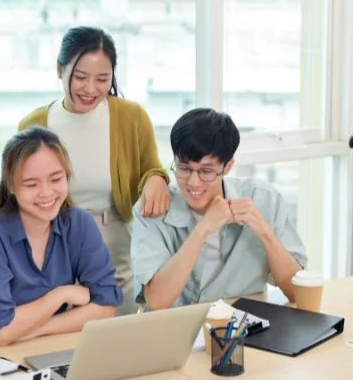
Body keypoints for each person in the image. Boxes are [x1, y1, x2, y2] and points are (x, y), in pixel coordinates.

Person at [18, 26, 169, 313]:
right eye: (80, 77)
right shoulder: (34, 124)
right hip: (53, 237)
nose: (91, 89)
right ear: (60, 70)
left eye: (102, 79)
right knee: (61, 322)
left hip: (115, 238)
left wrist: (156, 179)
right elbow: (15, 188)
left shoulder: (131, 117)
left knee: (118, 323)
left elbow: (153, 168)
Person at [0, 126, 122, 346]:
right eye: (31, 184)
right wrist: (61, 295)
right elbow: (2, 332)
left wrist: (34, 330)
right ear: (11, 186)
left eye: (56, 179)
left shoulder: (79, 224)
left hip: (46, 346)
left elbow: (107, 307)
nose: (46, 192)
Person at [131, 108, 308, 310]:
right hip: (174, 327)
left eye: (206, 171)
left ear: (228, 166)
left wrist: (264, 233)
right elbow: (157, 301)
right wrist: (203, 229)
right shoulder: (153, 209)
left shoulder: (263, 198)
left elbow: (296, 292)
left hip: (242, 326)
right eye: (184, 168)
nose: (193, 182)